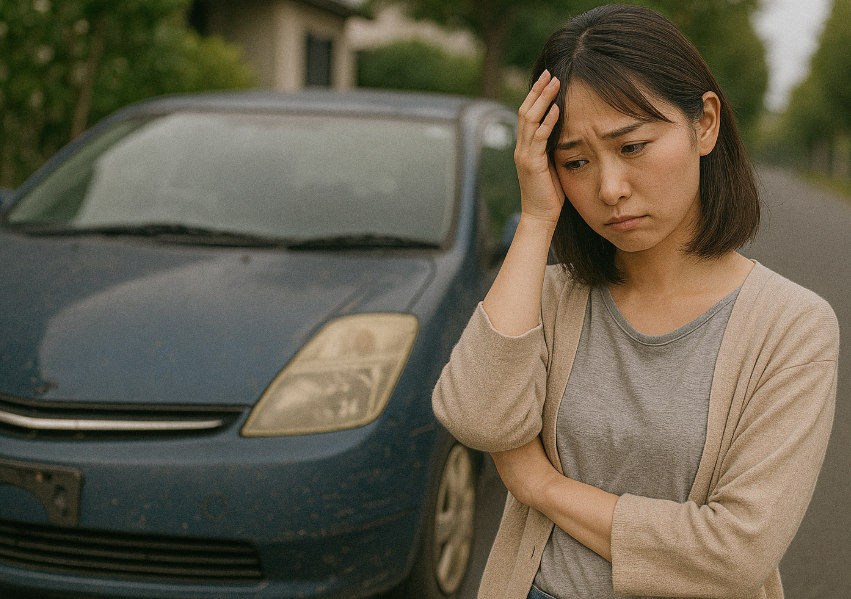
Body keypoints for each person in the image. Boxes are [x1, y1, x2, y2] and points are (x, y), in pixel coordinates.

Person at [432, 4, 839, 599]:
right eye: (575, 161)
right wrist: (537, 219)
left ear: (705, 124)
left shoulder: (791, 326)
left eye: (633, 146)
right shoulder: (552, 297)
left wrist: (541, 486)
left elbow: (734, 555)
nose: (609, 188)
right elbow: (475, 418)